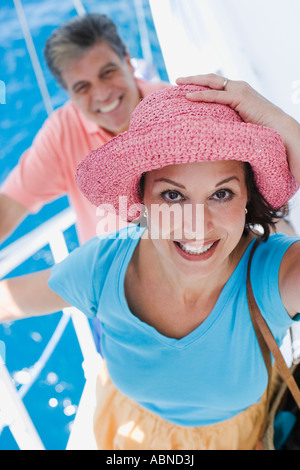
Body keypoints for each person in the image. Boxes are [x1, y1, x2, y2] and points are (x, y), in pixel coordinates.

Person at [1, 74, 300, 450]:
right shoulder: (104, 267)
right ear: (140, 199)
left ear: (247, 199)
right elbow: (8, 300)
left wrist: (282, 123)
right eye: (173, 195)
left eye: (221, 193)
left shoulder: (272, 276)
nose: (197, 225)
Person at [0, 13, 169, 245]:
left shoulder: (179, 109)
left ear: (128, 63)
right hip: (108, 276)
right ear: (69, 95)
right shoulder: (62, 133)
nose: (101, 94)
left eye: (107, 72)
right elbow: (7, 208)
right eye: (82, 87)